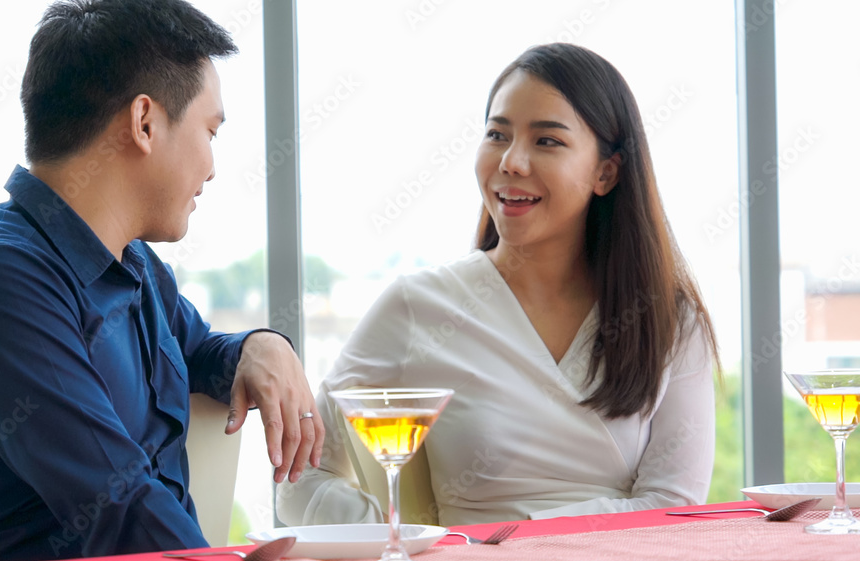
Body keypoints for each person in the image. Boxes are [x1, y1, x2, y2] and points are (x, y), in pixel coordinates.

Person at [0, 1, 324, 560]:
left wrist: (259, 345)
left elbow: (198, 350)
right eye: (210, 131)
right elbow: (117, 504)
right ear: (145, 123)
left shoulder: (133, 264)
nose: (212, 166)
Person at [276, 43, 720, 527]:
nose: (511, 161)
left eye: (546, 141)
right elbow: (302, 475)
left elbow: (673, 505)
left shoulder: (669, 319)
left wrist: (521, 538)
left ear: (605, 173)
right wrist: (408, 538)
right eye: (496, 135)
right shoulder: (418, 307)